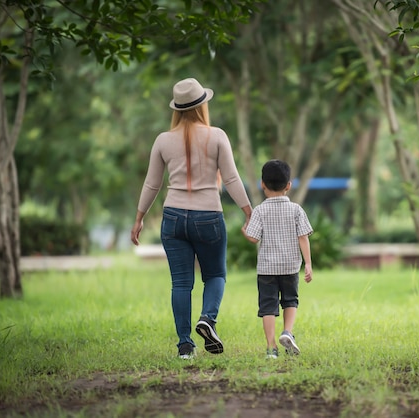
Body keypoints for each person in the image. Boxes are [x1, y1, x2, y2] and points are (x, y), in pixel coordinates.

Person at [131, 78, 252, 359]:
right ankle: (207, 320)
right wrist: (249, 212)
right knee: (216, 274)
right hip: (208, 216)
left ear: (177, 108)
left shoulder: (163, 140)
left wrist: (139, 218)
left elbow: (152, 184)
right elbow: (232, 178)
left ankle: (185, 345)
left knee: (181, 283)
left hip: (173, 218)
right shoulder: (217, 136)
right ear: (202, 105)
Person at [244, 159, 313, 359]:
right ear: (288, 185)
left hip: (267, 269)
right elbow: (303, 237)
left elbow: (253, 237)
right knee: (290, 300)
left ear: (262, 184)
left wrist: (245, 231)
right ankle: (287, 332)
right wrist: (308, 263)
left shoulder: (259, 210)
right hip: (290, 266)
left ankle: (271, 347)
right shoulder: (296, 210)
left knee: (268, 306)